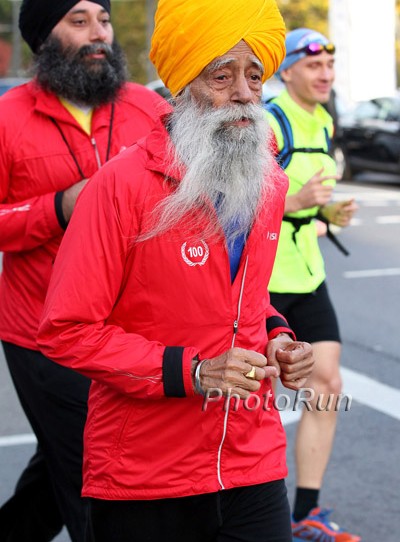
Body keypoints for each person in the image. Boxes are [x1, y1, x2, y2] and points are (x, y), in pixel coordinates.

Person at [37, 1, 315, 541]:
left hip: (251, 461)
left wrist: (279, 339)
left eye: (255, 76)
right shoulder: (121, 185)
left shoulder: (269, 182)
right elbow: (66, 329)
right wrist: (190, 372)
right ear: (184, 82)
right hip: (146, 474)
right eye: (222, 76)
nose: (242, 94)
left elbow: (245, 300)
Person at [0, 1, 165, 541]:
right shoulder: (7, 119)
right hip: (44, 335)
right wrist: (57, 208)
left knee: (61, 462)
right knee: (96, 473)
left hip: (132, 335)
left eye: (104, 19)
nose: (99, 34)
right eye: (78, 21)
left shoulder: (147, 108)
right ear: (42, 38)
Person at [264, 28, 360, 541]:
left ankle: (306, 514)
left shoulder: (322, 121)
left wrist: (329, 210)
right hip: (260, 280)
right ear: (288, 71)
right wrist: (297, 203)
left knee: (328, 384)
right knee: (244, 400)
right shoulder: (269, 122)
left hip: (306, 272)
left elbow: (310, 199)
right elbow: (233, 202)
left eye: (329, 67)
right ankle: (241, 511)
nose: (324, 75)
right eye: (312, 66)